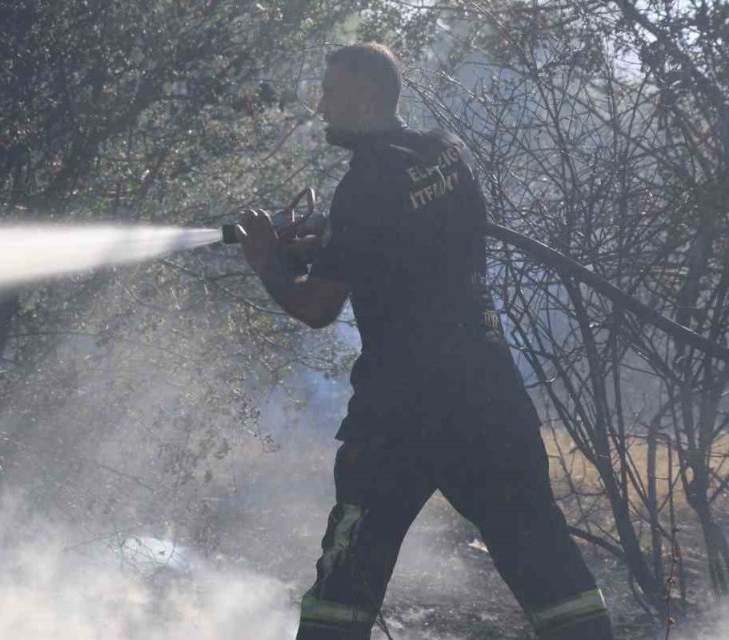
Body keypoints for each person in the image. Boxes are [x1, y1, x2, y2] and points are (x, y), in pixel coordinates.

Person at [235, 43, 615, 640]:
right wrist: (330, 244)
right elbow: (410, 242)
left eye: (331, 90)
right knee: (550, 569)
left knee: (345, 583)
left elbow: (317, 307)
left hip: (402, 414)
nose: (322, 103)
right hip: (490, 396)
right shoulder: (446, 154)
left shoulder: (363, 186)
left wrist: (268, 263)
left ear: (363, 93)